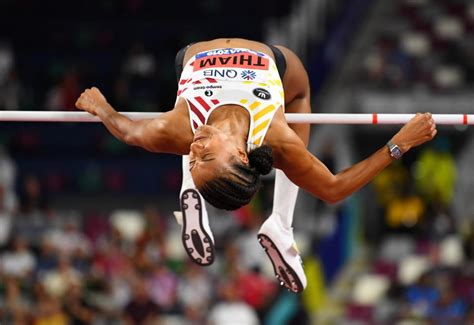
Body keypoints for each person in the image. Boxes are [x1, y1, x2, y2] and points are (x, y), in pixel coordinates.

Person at [75, 38, 437, 293]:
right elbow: (333, 189)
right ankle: (280, 222)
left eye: (194, 157)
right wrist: (398, 144)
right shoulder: (278, 138)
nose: (197, 145)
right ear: (242, 156)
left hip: (191, 57)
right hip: (271, 67)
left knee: (177, 133)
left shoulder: (178, 130)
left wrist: (103, 108)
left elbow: (129, 132)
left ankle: (204, 191)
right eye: (205, 155)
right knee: (300, 93)